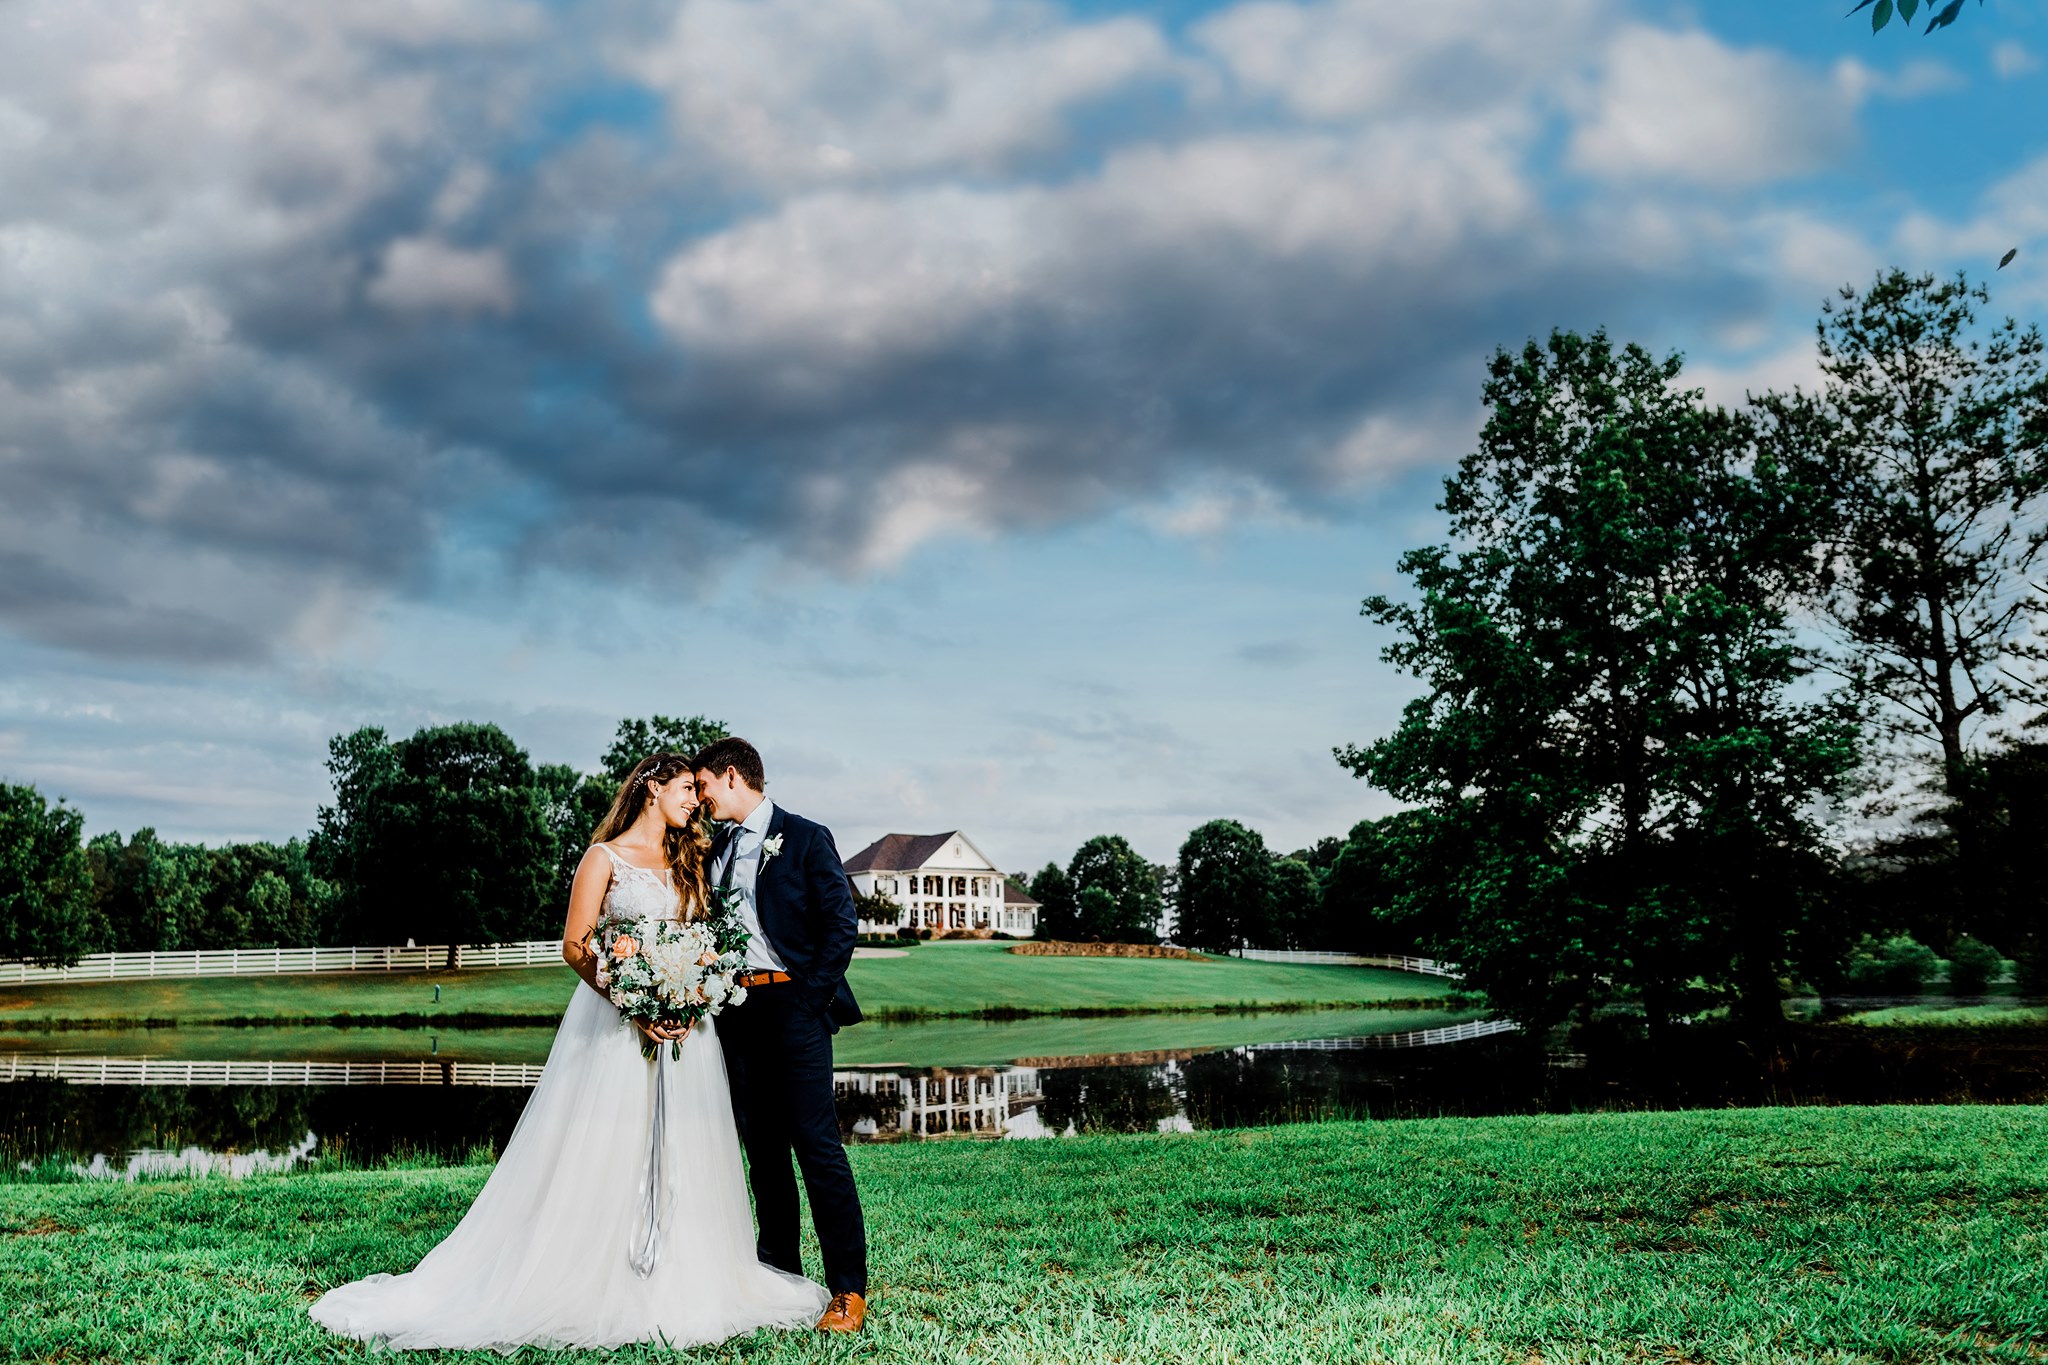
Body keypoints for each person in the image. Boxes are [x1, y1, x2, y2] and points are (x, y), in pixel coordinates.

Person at [307, 751, 829, 1351]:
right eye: (687, 788)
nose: (696, 800)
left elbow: (708, 940)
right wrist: (634, 1000)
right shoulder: (602, 858)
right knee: (608, 1149)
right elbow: (576, 945)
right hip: (618, 1032)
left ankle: (689, 1276)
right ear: (652, 787)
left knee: (693, 1150)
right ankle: (600, 1276)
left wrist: (690, 994)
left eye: (698, 789)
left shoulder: (693, 859)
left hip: (691, 1034)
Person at [693, 736, 869, 1334]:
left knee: (816, 1147)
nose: (701, 797)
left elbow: (841, 925)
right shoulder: (716, 848)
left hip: (794, 1006)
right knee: (764, 1153)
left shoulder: (806, 837)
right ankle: (780, 1280)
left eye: (704, 785)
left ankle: (847, 1291)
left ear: (732, 776)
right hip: (736, 1013)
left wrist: (808, 1000)